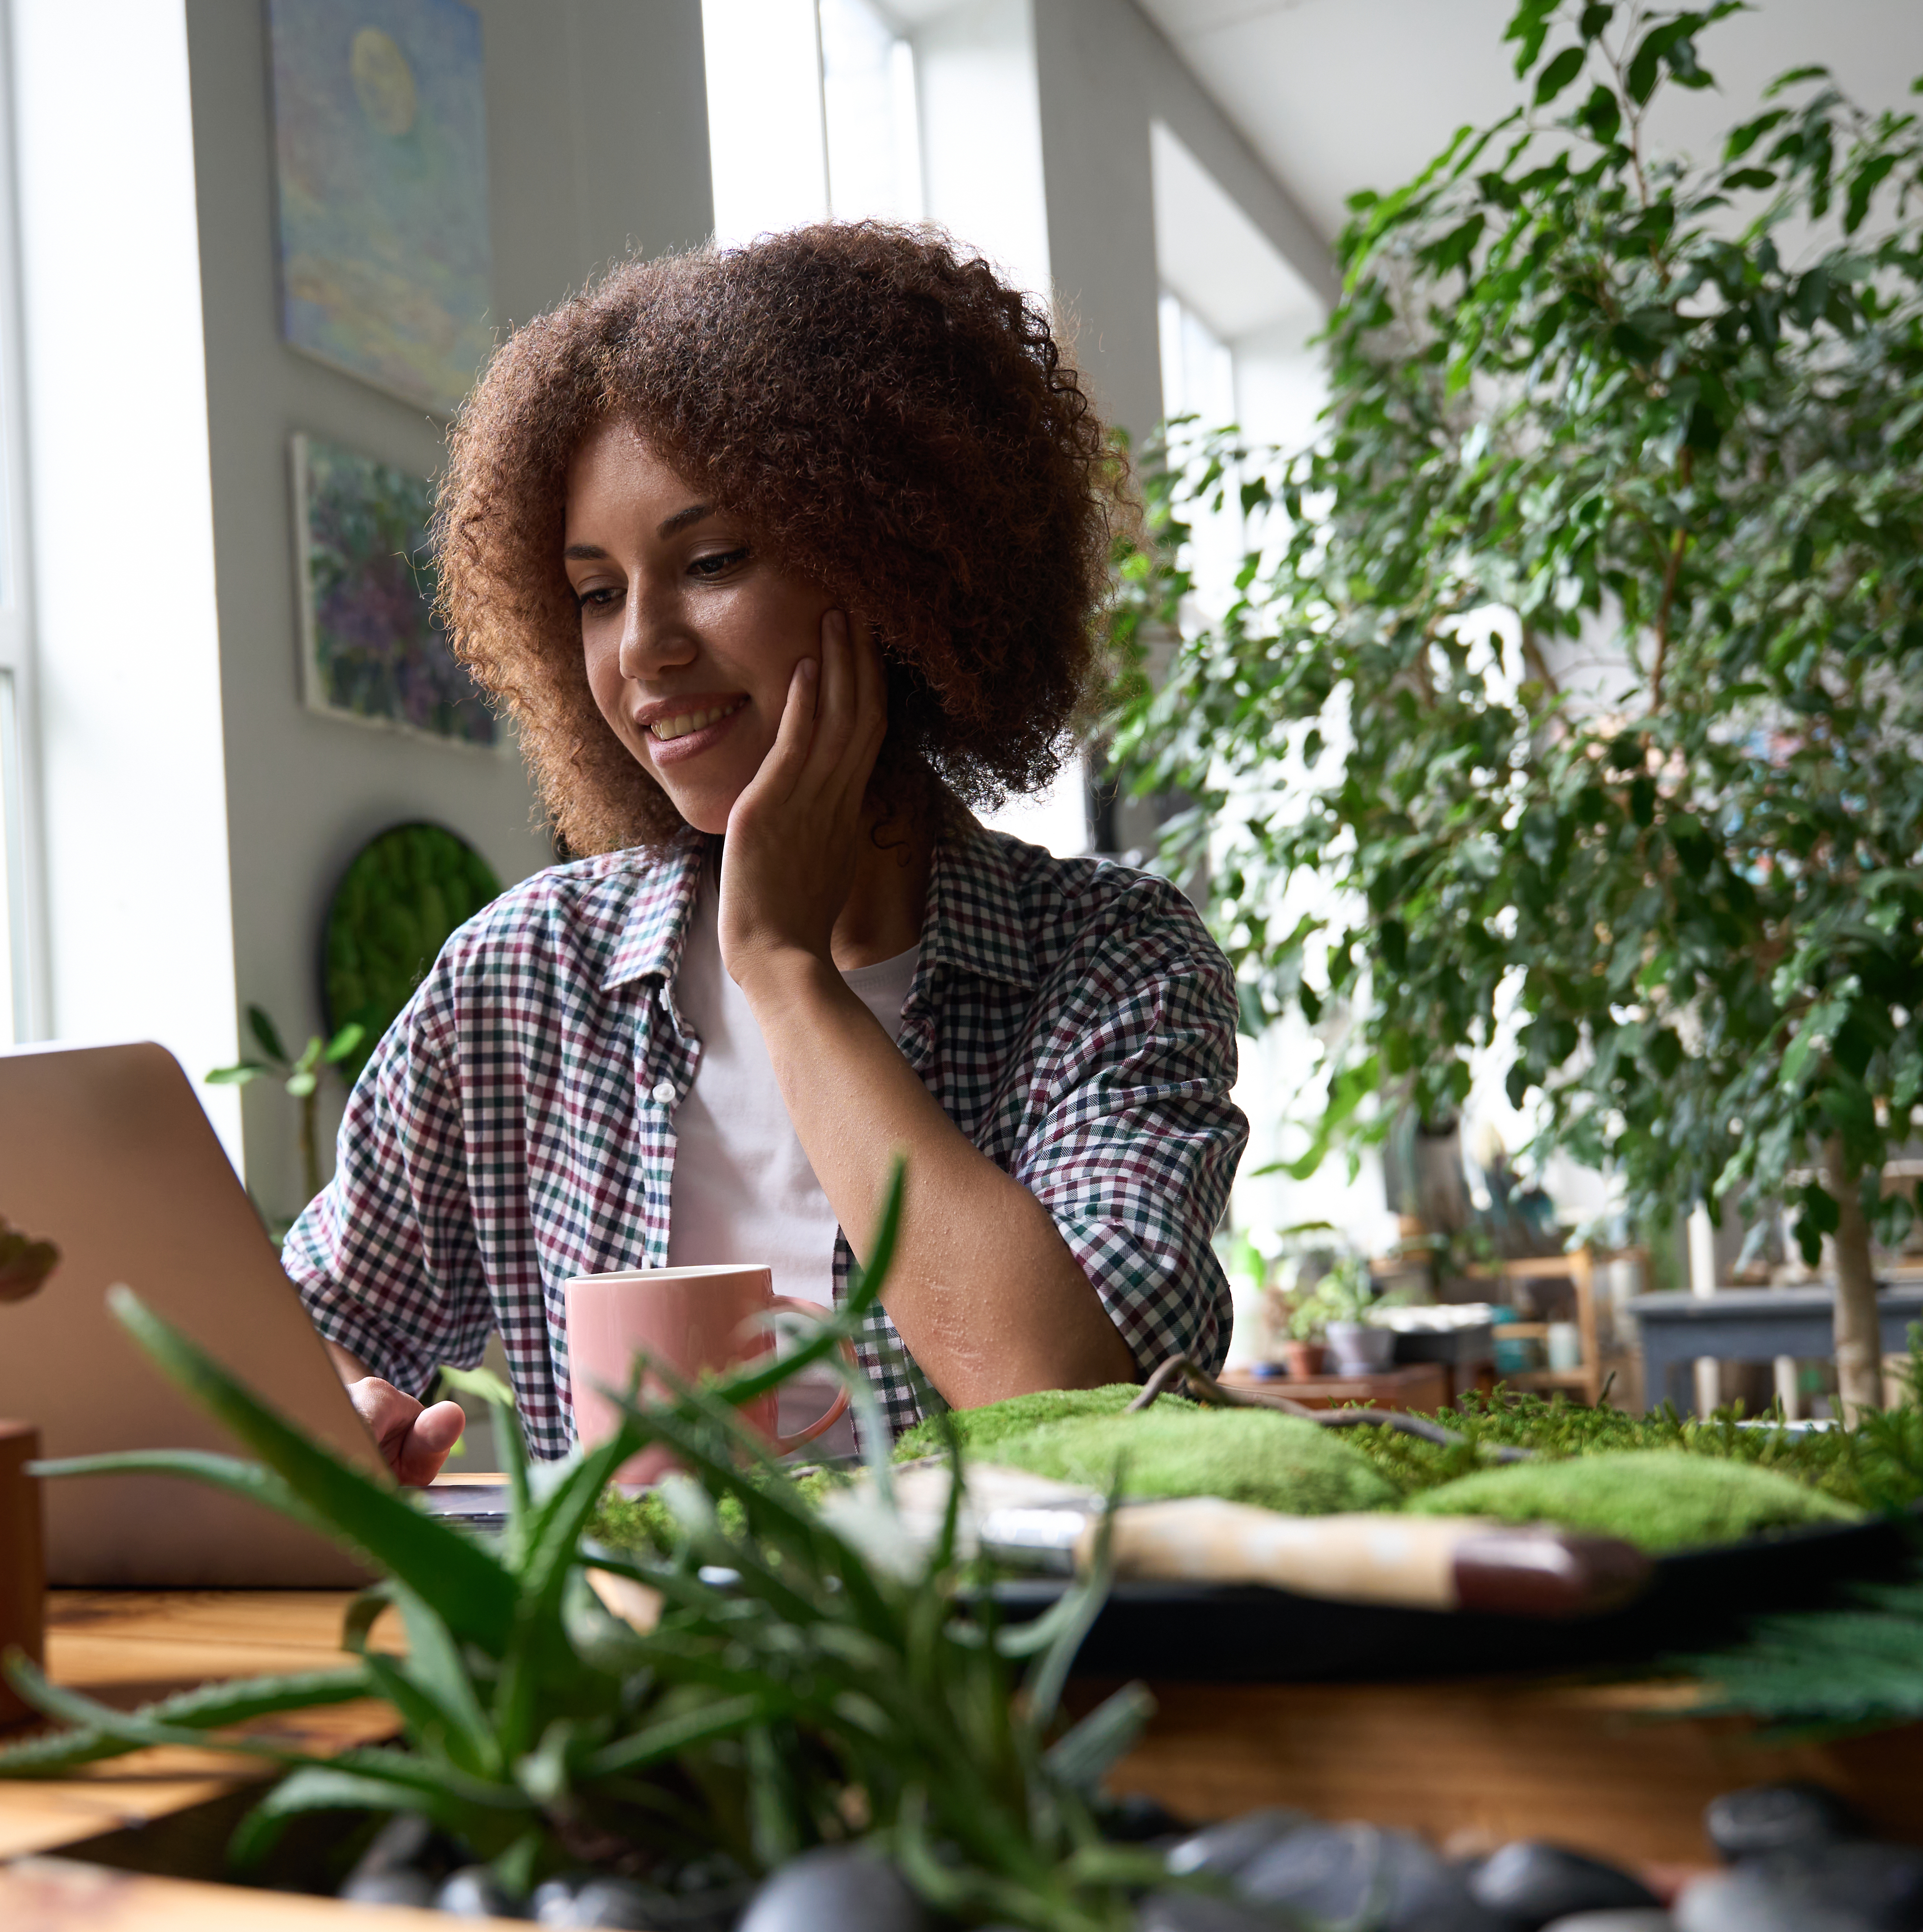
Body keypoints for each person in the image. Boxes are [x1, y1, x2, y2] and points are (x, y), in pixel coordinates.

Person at [284, 222, 1248, 1477]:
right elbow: (303, 1330)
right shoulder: (521, 976)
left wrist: (786, 973)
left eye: (713, 561)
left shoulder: (1111, 958)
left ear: (896, 566)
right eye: (597, 592)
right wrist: (345, 1408)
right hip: (626, 1614)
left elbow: (1067, 1402)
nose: (644, 647)